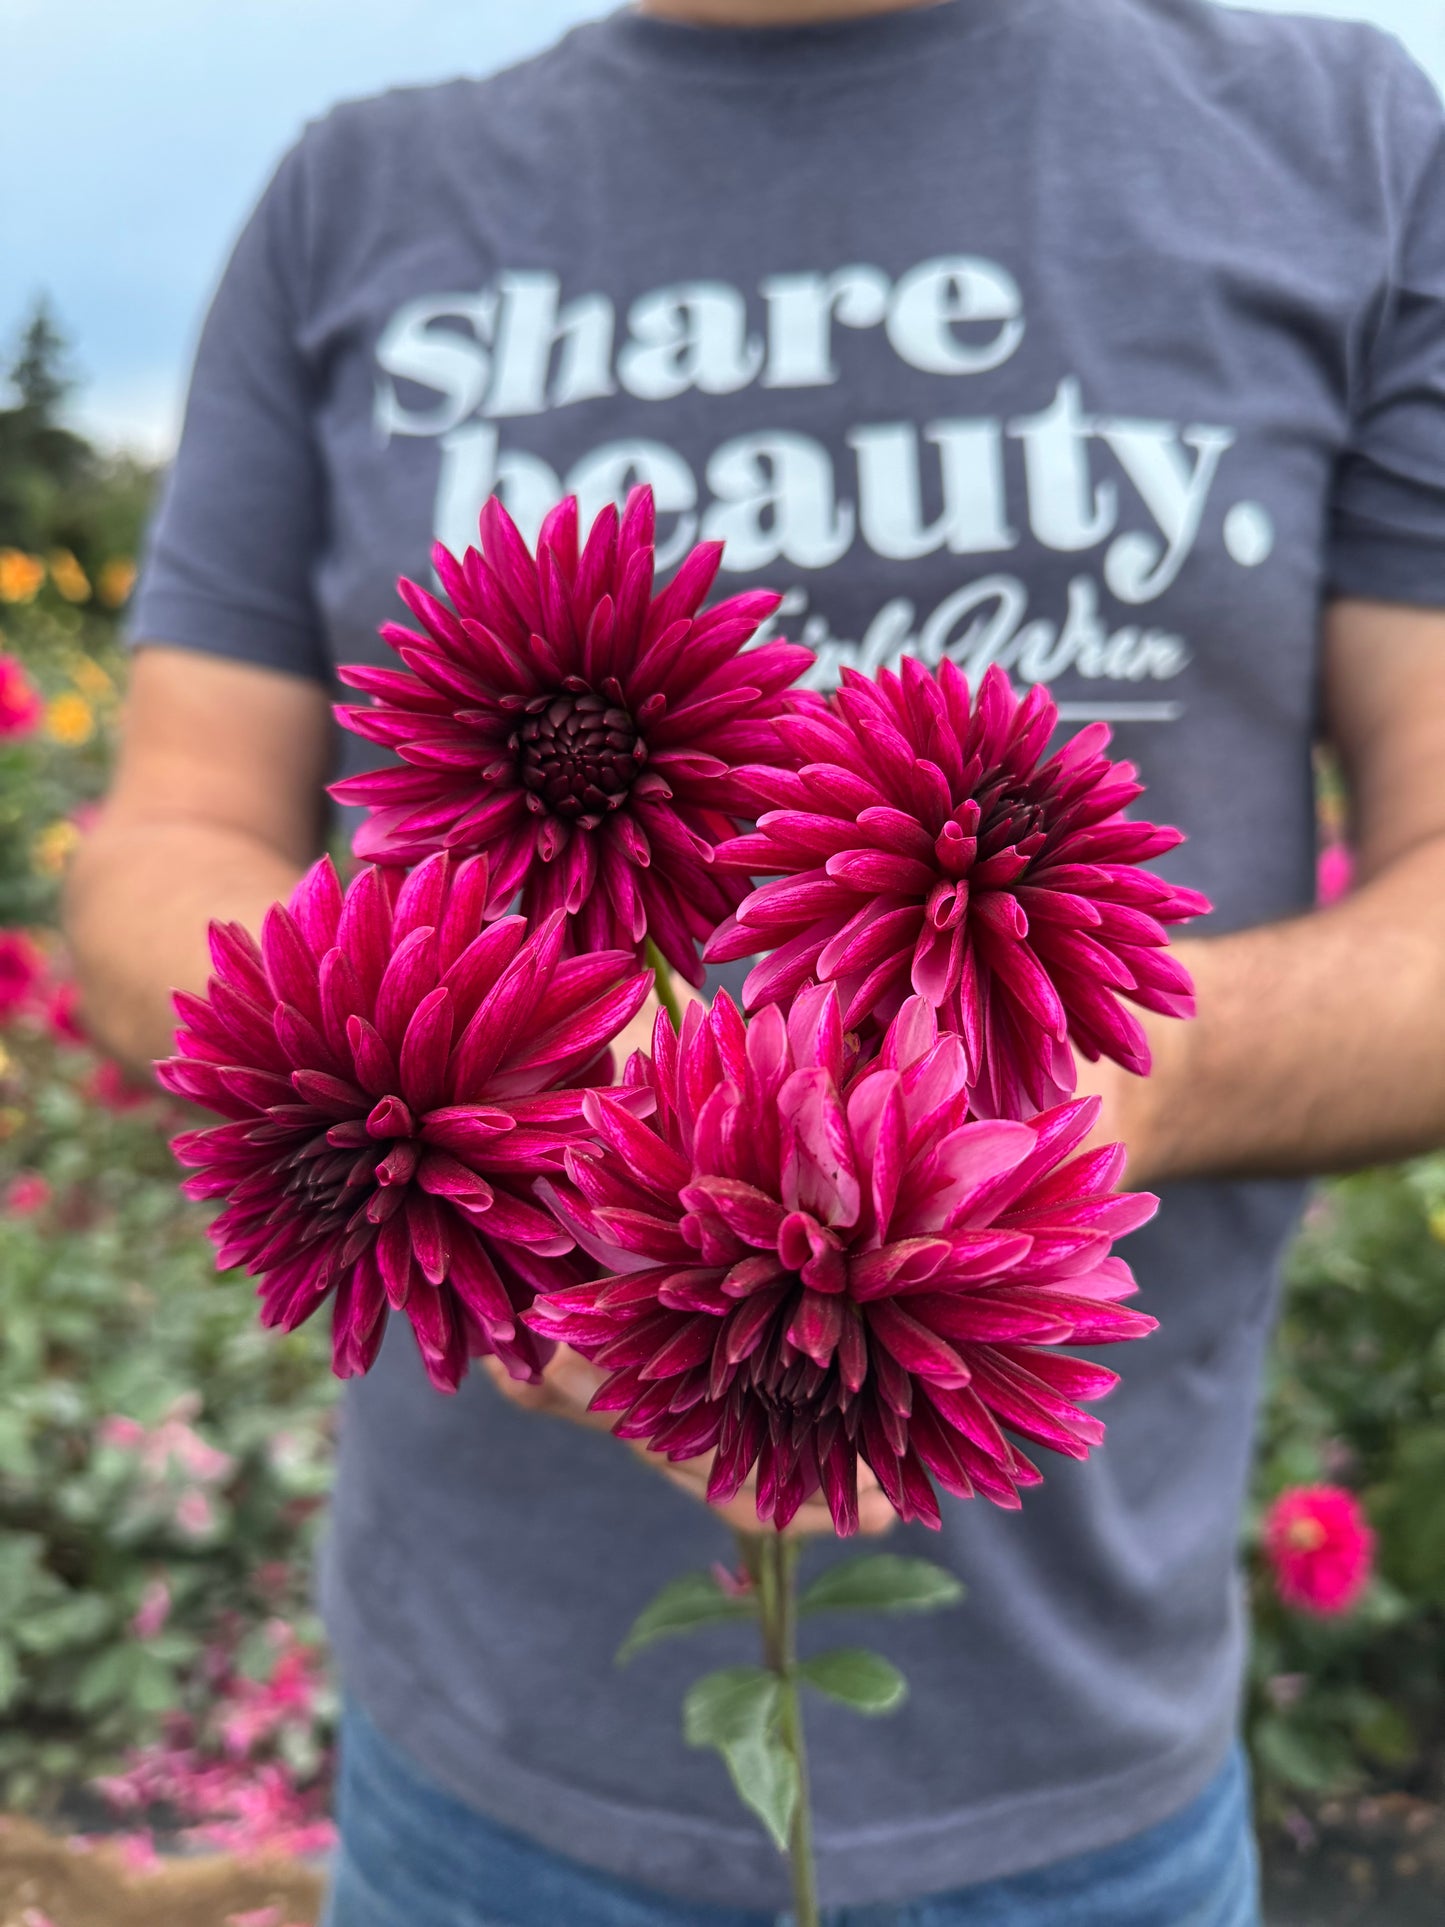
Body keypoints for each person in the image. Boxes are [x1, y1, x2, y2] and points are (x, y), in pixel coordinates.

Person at [66, 0, 1445, 1919]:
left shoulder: (1342, 140)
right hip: (478, 1787)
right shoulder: (355, 197)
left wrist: (1084, 1088)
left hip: (1086, 1793)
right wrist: (442, 1055)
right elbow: (172, 837)